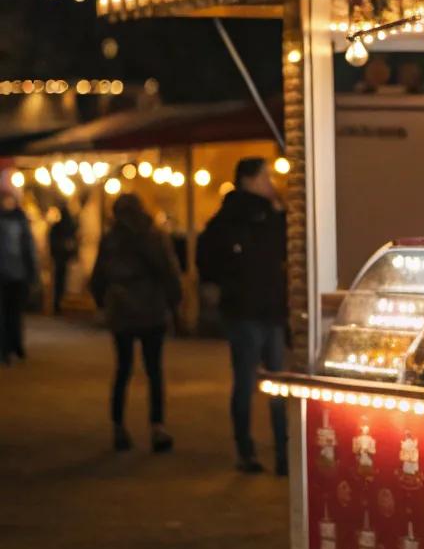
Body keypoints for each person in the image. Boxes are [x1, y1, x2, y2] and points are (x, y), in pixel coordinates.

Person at [197, 157, 288, 475]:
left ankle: (254, 450)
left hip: (256, 310)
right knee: (267, 382)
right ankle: (277, 452)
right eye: (265, 176)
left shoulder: (258, 215)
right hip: (254, 310)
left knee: (256, 382)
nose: (270, 182)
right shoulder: (244, 217)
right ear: (249, 180)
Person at [89, 192, 180, 452]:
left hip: (122, 310)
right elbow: (168, 270)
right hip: (152, 308)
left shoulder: (111, 240)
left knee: (123, 369)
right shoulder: (153, 236)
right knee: (154, 370)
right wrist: (175, 305)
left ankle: (119, 427)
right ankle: (157, 427)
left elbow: (99, 275)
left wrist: (101, 302)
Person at [0, 173, 38, 363]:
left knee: (14, 313)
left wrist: (31, 273)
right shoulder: (18, 220)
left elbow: (28, 249)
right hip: (7, 275)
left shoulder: (20, 220)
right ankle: (7, 348)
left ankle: (14, 346)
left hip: (17, 275)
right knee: (6, 314)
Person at [48, 202, 79, 314]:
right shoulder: (69, 227)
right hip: (63, 258)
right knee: (63, 281)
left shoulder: (58, 227)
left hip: (59, 258)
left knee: (59, 281)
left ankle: (58, 304)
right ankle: (60, 304)